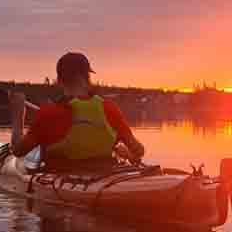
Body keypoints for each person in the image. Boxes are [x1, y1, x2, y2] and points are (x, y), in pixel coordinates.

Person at [8, 52, 146, 167]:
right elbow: (139, 150)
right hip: (104, 174)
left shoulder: (49, 113)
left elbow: (17, 151)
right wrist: (127, 152)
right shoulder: (109, 108)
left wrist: (18, 113)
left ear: (59, 80)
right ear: (88, 77)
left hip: (62, 179)